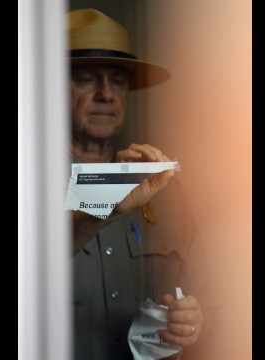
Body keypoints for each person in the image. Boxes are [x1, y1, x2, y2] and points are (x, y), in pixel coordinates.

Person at [68, 9, 219, 360]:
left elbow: (210, 306)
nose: (106, 94)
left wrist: (193, 321)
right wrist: (102, 205)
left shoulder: (162, 188)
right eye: (87, 79)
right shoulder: (29, 184)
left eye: (118, 81)